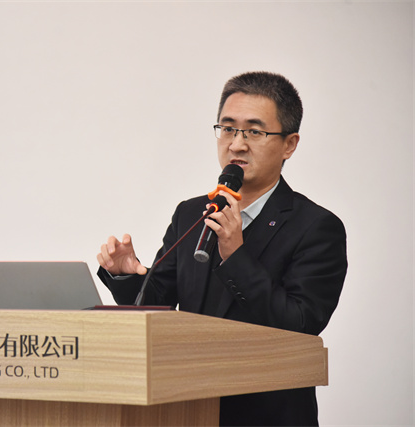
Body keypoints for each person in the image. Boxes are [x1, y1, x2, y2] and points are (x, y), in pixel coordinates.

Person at [96, 71, 347, 426]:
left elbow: (301, 324)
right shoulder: (192, 214)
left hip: (267, 415)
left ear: (289, 144)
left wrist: (236, 256)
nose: (236, 144)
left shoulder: (316, 227)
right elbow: (158, 307)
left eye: (254, 132)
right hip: (187, 407)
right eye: (228, 129)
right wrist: (126, 275)